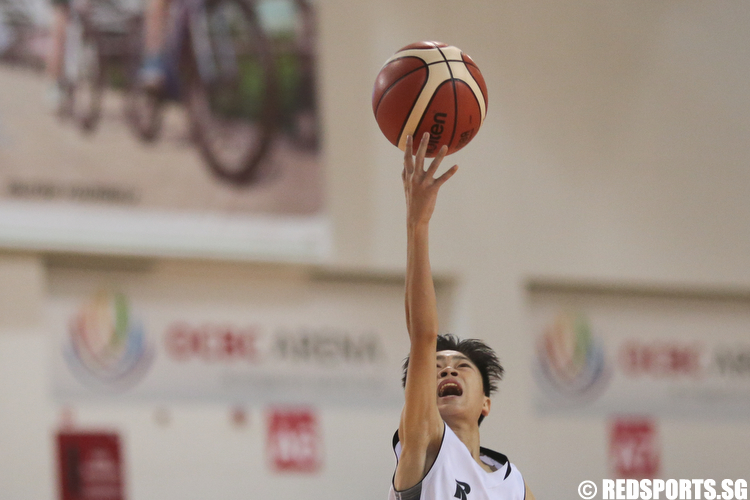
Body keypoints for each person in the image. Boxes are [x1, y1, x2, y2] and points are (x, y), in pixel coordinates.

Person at [390, 132, 535, 500]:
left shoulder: (513, 484)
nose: (448, 370)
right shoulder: (424, 446)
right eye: (437, 367)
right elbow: (423, 336)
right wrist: (417, 226)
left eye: (461, 366)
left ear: (486, 402)